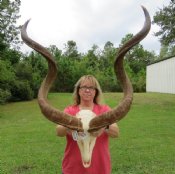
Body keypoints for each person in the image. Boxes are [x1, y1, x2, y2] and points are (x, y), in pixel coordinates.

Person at [56, 75, 119, 174]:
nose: (88, 90)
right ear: (78, 90)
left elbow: (116, 133)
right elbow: (59, 131)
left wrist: (104, 126)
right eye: (84, 87)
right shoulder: (70, 110)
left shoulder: (104, 110)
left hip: (100, 169)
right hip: (73, 169)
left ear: (95, 92)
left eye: (91, 88)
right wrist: (69, 126)